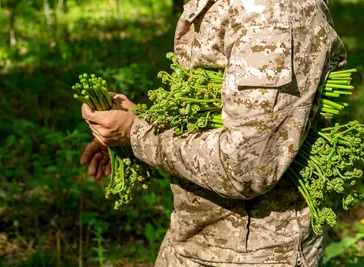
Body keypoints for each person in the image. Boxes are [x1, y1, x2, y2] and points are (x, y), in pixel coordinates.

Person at [80, 0, 346, 266]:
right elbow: (228, 112)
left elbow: (246, 165)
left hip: (254, 254)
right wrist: (135, 127)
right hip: (193, 239)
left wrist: (137, 133)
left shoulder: (269, 12)